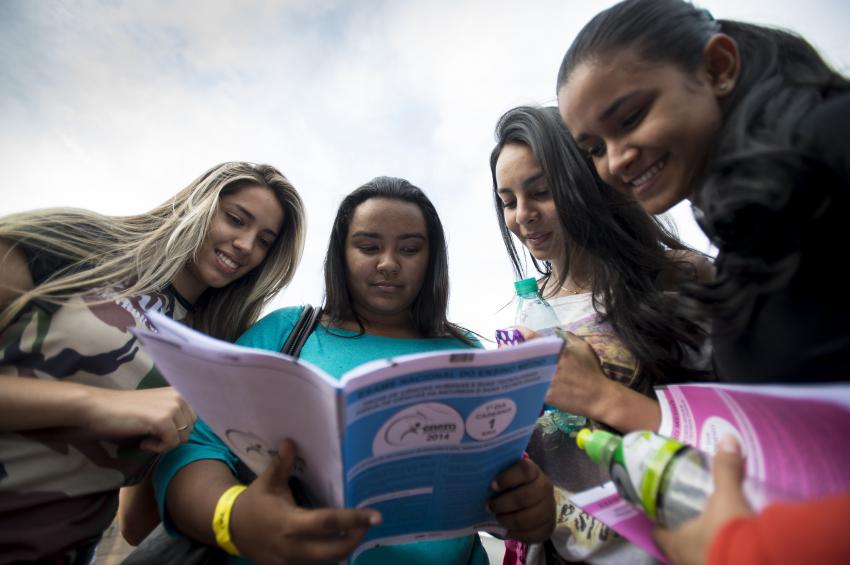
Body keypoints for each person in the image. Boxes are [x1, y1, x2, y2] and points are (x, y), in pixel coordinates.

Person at [555, 0, 850, 562]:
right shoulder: (746, 232)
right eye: (593, 149)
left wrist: (746, 547)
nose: (615, 160)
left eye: (630, 117)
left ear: (717, 67)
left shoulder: (834, 139)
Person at [152, 176, 556, 565]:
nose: (388, 264)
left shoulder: (469, 353)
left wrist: (532, 503)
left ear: (432, 258)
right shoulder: (286, 331)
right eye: (367, 246)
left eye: (410, 248)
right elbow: (196, 444)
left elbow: (504, 476)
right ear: (341, 254)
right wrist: (236, 519)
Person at [0, 161, 306, 562]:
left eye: (265, 240)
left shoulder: (210, 348)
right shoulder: (77, 243)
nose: (246, 246)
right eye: (235, 219)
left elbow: (134, 524)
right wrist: (96, 406)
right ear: (197, 203)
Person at [491, 105, 710, 563]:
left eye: (541, 192)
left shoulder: (678, 278)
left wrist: (600, 392)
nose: (523, 216)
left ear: (583, 179)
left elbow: (734, 434)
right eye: (508, 202)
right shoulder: (525, 319)